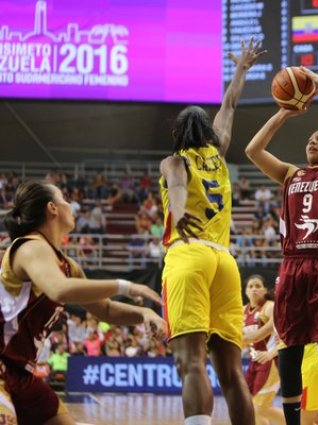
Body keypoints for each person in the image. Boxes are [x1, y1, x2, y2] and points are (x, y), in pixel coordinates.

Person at [0, 180, 166, 424]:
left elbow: (106, 308)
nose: (70, 205)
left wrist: (144, 314)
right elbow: (59, 289)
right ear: (52, 208)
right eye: (64, 199)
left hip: (21, 375)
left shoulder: (68, 266)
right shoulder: (29, 247)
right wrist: (127, 286)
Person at [160, 37, 264, 425]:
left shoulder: (174, 159)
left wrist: (180, 211)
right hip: (225, 261)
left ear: (179, 133)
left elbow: (176, 184)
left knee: (191, 363)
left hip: (189, 254)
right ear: (206, 131)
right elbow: (229, 104)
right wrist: (241, 69)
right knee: (233, 372)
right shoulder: (218, 153)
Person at [245, 67, 318, 425]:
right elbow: (253, 149)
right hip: (292, 267)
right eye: (310, 138)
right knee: (289, 350)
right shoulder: (291, 174)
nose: (313, 141)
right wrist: (283, 111)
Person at [242, 275, 284, 425]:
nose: (254, 289)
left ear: (265, 290)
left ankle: (303, 422)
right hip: (255, 362)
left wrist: (270, 353)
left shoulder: (270, 307)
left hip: (271, 361)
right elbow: (242, 341)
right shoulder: (242, 311)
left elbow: (283, 336)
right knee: (249, 406)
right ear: (245, 291)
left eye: (258, 286)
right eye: (250, 286)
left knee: (259, 407)